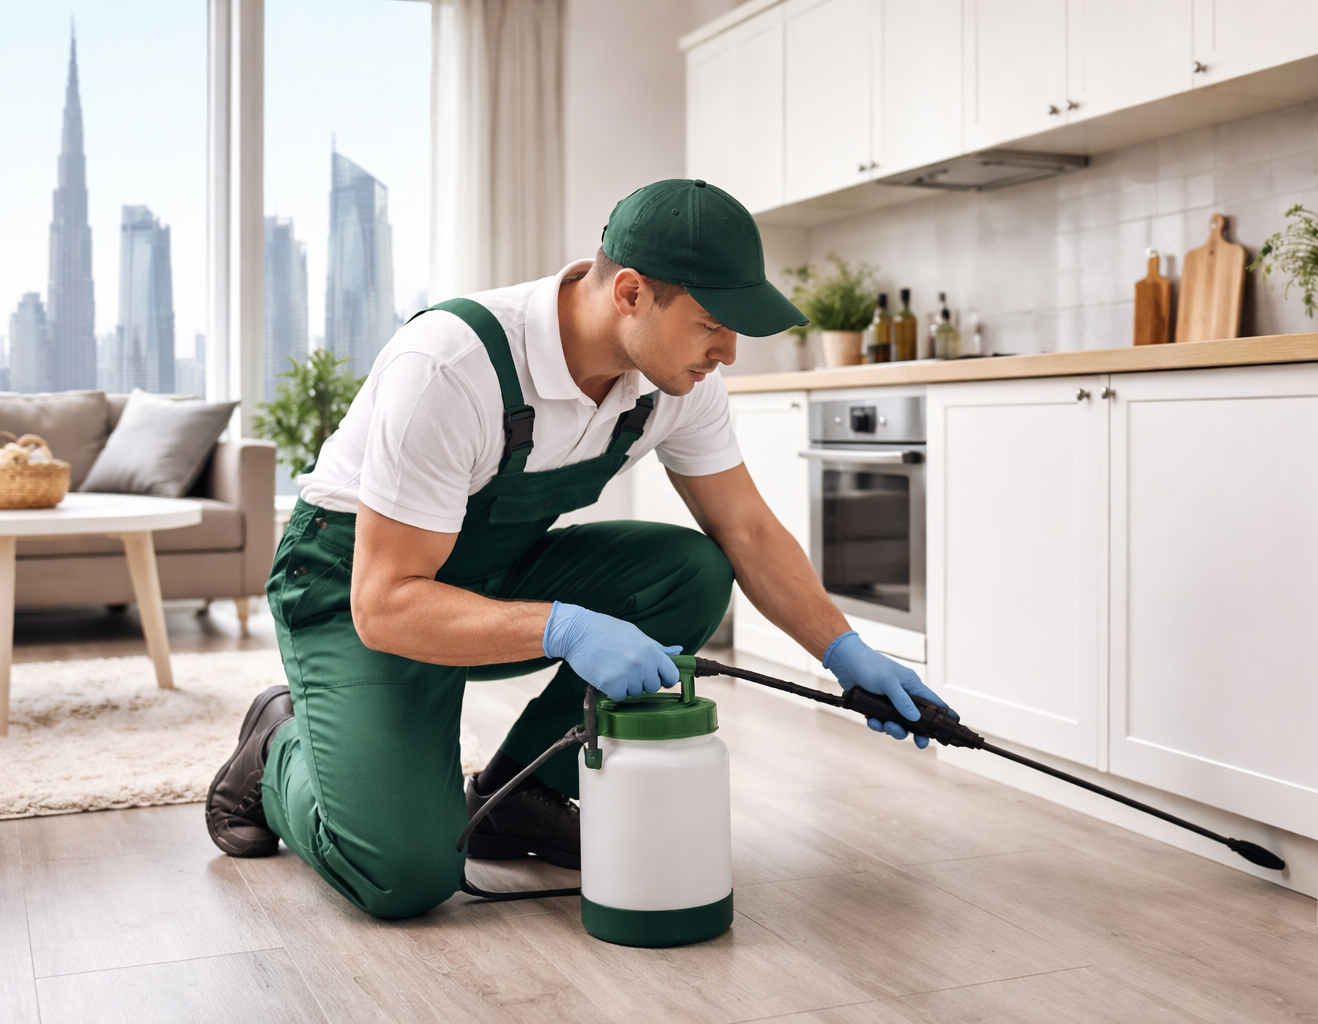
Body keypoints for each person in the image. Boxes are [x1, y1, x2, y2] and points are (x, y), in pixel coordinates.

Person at [204, 179, 944, 919]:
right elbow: (386, 603)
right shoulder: (451, 366)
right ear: (629, 293)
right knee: (404, 874)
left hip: (489, 572)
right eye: (713, 323)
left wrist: (844, 652)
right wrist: (562, 625)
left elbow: (746, 531)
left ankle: (524, 795)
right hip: (358, 587)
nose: (728, 352)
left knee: (691, 571)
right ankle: (277, 750)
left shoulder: (675, 384)